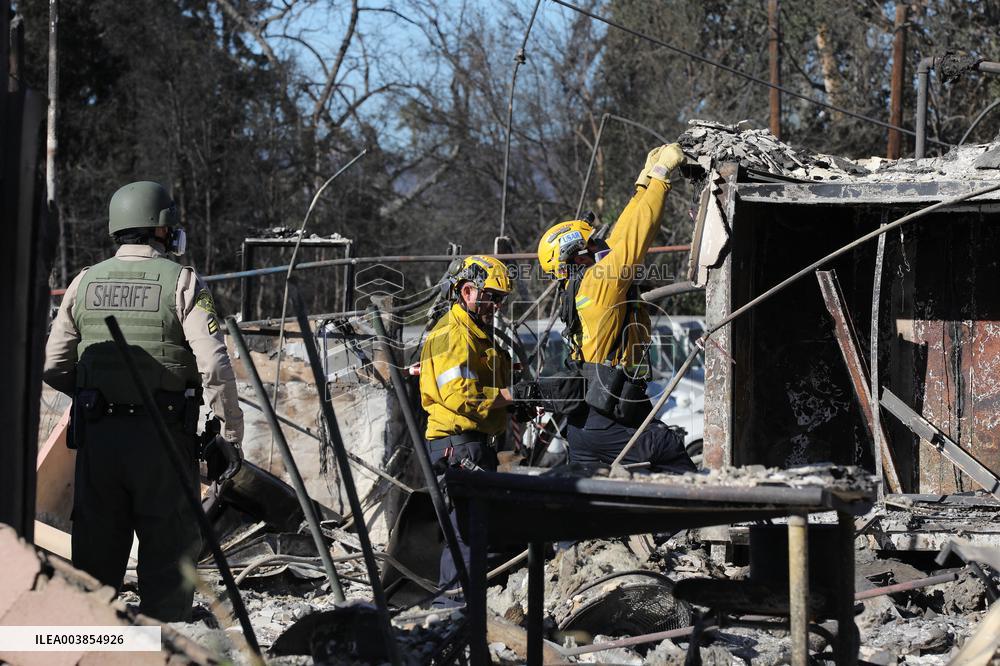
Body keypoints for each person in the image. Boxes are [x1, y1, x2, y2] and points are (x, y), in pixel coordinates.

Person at [42, 181, 244, 622]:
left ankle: (92, 645)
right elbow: (213, 365)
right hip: (163, 438)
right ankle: (163, 643)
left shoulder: (84, 281)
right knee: (168, 553)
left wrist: (96, 393)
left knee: (95, 555)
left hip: (98, 439)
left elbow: (54, 364)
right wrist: (229, 433)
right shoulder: (184, 281)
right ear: (162, 229)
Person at [535, 144, 696, 474]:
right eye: (592, 243)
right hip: (608, 414)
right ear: (576, 256)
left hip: (598, 415)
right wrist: (662, 178)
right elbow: (634, 240)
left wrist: (644, 185)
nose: (601, 246)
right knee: (673, 463)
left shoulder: (582, 286)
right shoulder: (598, 283)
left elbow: (621, 236)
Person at [418, 254, 533, 596]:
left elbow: (488, 382)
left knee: (484, 528)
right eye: (492, 297)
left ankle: (475, 604)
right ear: (467, 291)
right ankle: (451, 608)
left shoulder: (478, 334)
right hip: (458, 444)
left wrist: (518, 395)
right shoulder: (451, 334)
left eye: (501, 299)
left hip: (475, 444)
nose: (497, 305)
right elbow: (460, 396)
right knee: (466, 532)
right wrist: (512, 395)